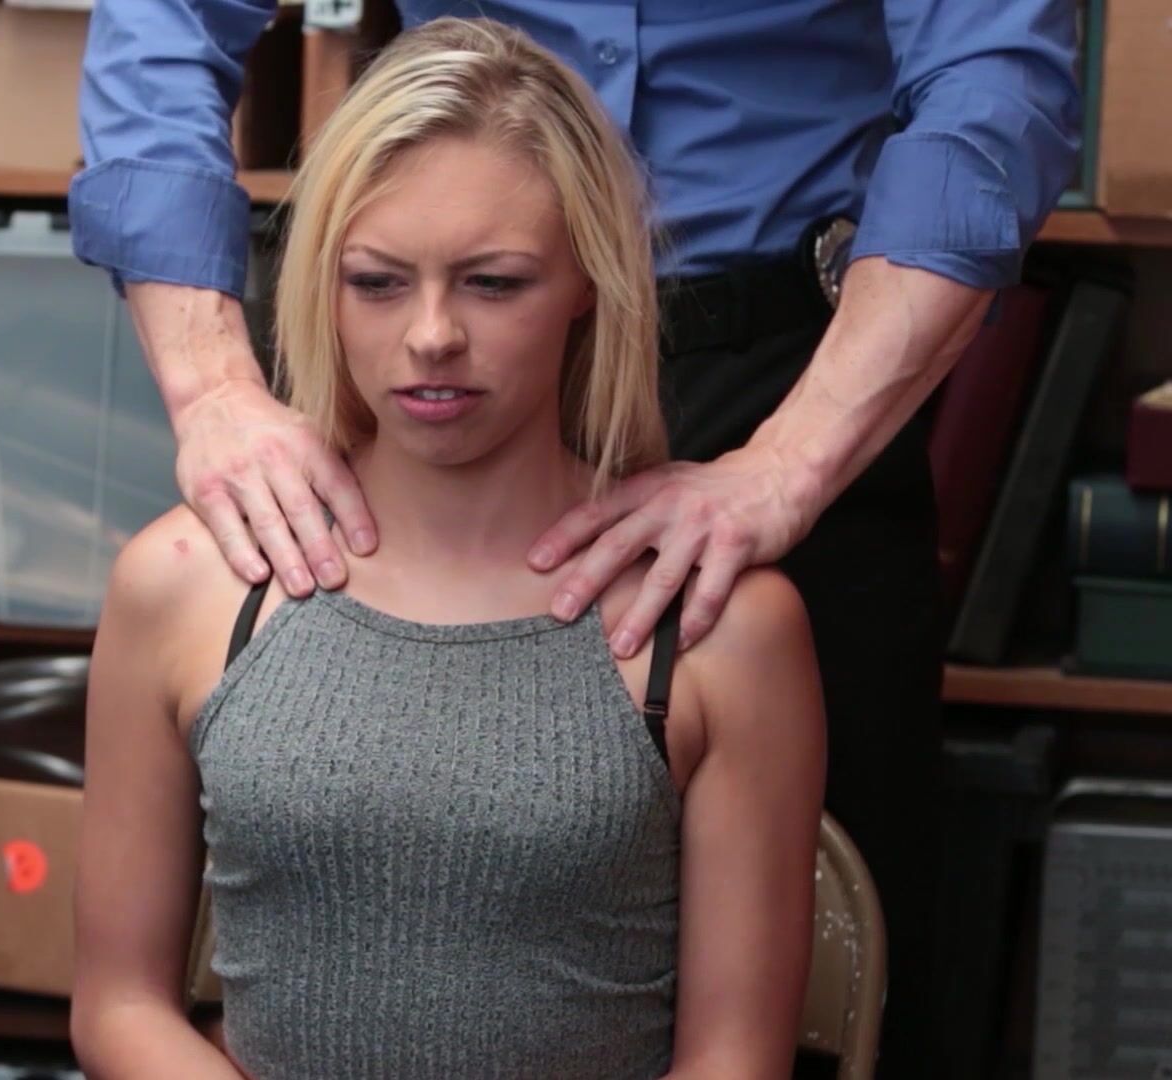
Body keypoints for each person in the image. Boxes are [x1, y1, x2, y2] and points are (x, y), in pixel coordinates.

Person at [70, 0, 1078, 1070]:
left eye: (489, 287)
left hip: (808, 355)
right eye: (375, 283)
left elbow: (992, 86)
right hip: (449, 245)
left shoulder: (744, 637)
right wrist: (212, 386)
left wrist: (793, 462)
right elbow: (163, 22)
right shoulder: (182, 588)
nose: (433, 336)